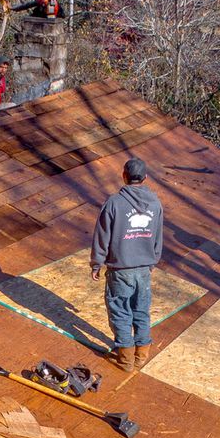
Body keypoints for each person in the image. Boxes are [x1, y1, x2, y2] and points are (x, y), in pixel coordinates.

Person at [91, 158, 165, 371]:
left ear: (123, 175)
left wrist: (97, 263)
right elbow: (158, 236)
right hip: (144, 269)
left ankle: (125, 359)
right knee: (141, 309)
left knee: (120, 310)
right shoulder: (155, 204)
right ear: (145, 178)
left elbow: (101, 237)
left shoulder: (114, 203)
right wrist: (153, 261)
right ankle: (142, 354)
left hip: (120, 269)